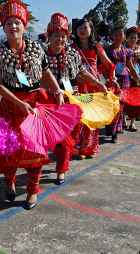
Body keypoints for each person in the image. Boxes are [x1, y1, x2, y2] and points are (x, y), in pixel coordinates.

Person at [0, 0, 64, 210]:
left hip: (33, 106)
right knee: (9, 151)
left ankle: (32, 191)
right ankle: (9, 182)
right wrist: (17, 102)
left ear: (24, 26)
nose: (13, 26)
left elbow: (46, 73)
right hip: (10, 107)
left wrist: (56, 90)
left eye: (17, 22)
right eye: (8, 23)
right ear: (3, 27)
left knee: (35, 151)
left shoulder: (35, 49)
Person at [44, 13, 107, 184]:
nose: (60, 39)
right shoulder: (40, 53)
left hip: (69, 101)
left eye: (63, 36)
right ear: (49, 35)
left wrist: (98, 83)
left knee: (65, 140)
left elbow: (82, 71)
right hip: (47, 101)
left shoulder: (72, 53)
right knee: (48, 138)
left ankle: (61, 170)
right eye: (56, 35)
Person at [70, 18, 116, 155]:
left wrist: (111, 79)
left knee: (91, 118)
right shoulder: (71, 48)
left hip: (94, 86)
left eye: (85, 28)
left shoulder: (97, 47)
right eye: (80, 28)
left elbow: (110, 65)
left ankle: (88, 148)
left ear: (91, 30)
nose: (82, 31)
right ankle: (76, 144)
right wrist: (75, 76)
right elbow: (66, 69)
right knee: (78, 117)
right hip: (78, 86)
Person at [104, 27, 140, 142]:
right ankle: (110, 128)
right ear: (112, 36)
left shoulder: (126, 51)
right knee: (112, 105)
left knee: (120, 106)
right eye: (116, 34)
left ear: (124, 37)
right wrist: (107, 79)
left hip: (124, 80)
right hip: (111, 81)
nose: (118, 37)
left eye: (120, 35)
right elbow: (103, 67)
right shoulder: (107, 50)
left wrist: (138, 79)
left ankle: (116, 131)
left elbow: (131, 67)